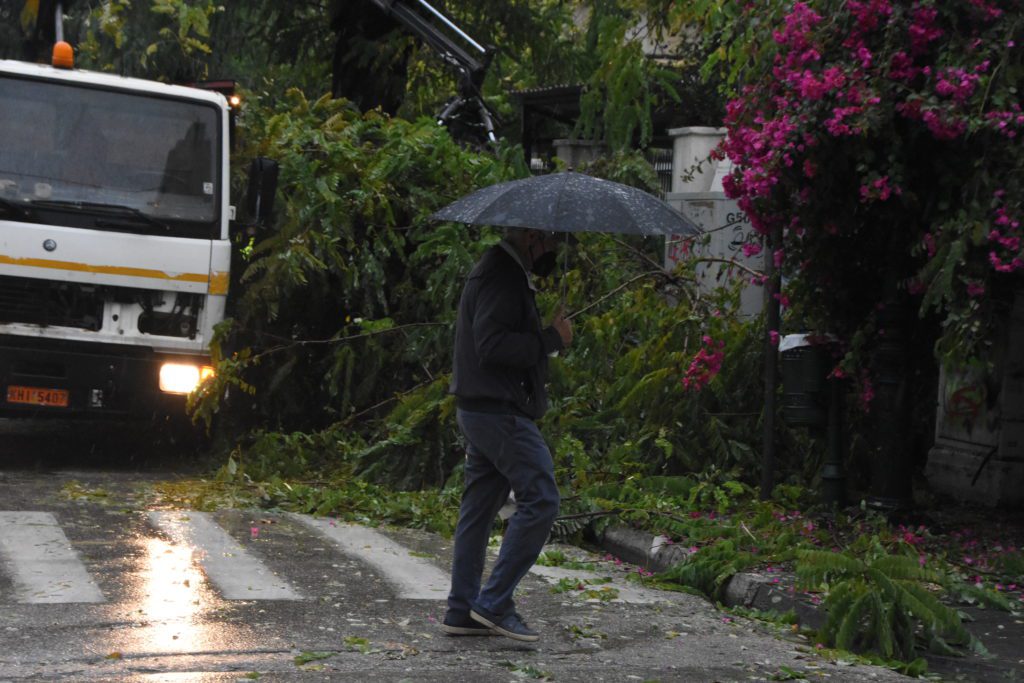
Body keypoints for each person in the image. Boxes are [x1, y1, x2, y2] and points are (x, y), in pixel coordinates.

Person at [442, 227, 573, 642]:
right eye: (551, 240)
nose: (553, 248)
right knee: (542, 497)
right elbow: (492, 345)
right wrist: (552, 338)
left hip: (480, 408)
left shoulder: (500, 269)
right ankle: (494, 603)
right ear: (530, 235)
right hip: (497, 412)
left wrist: (546, 337)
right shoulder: (502, 273)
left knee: (479, 511)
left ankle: (462, 610)